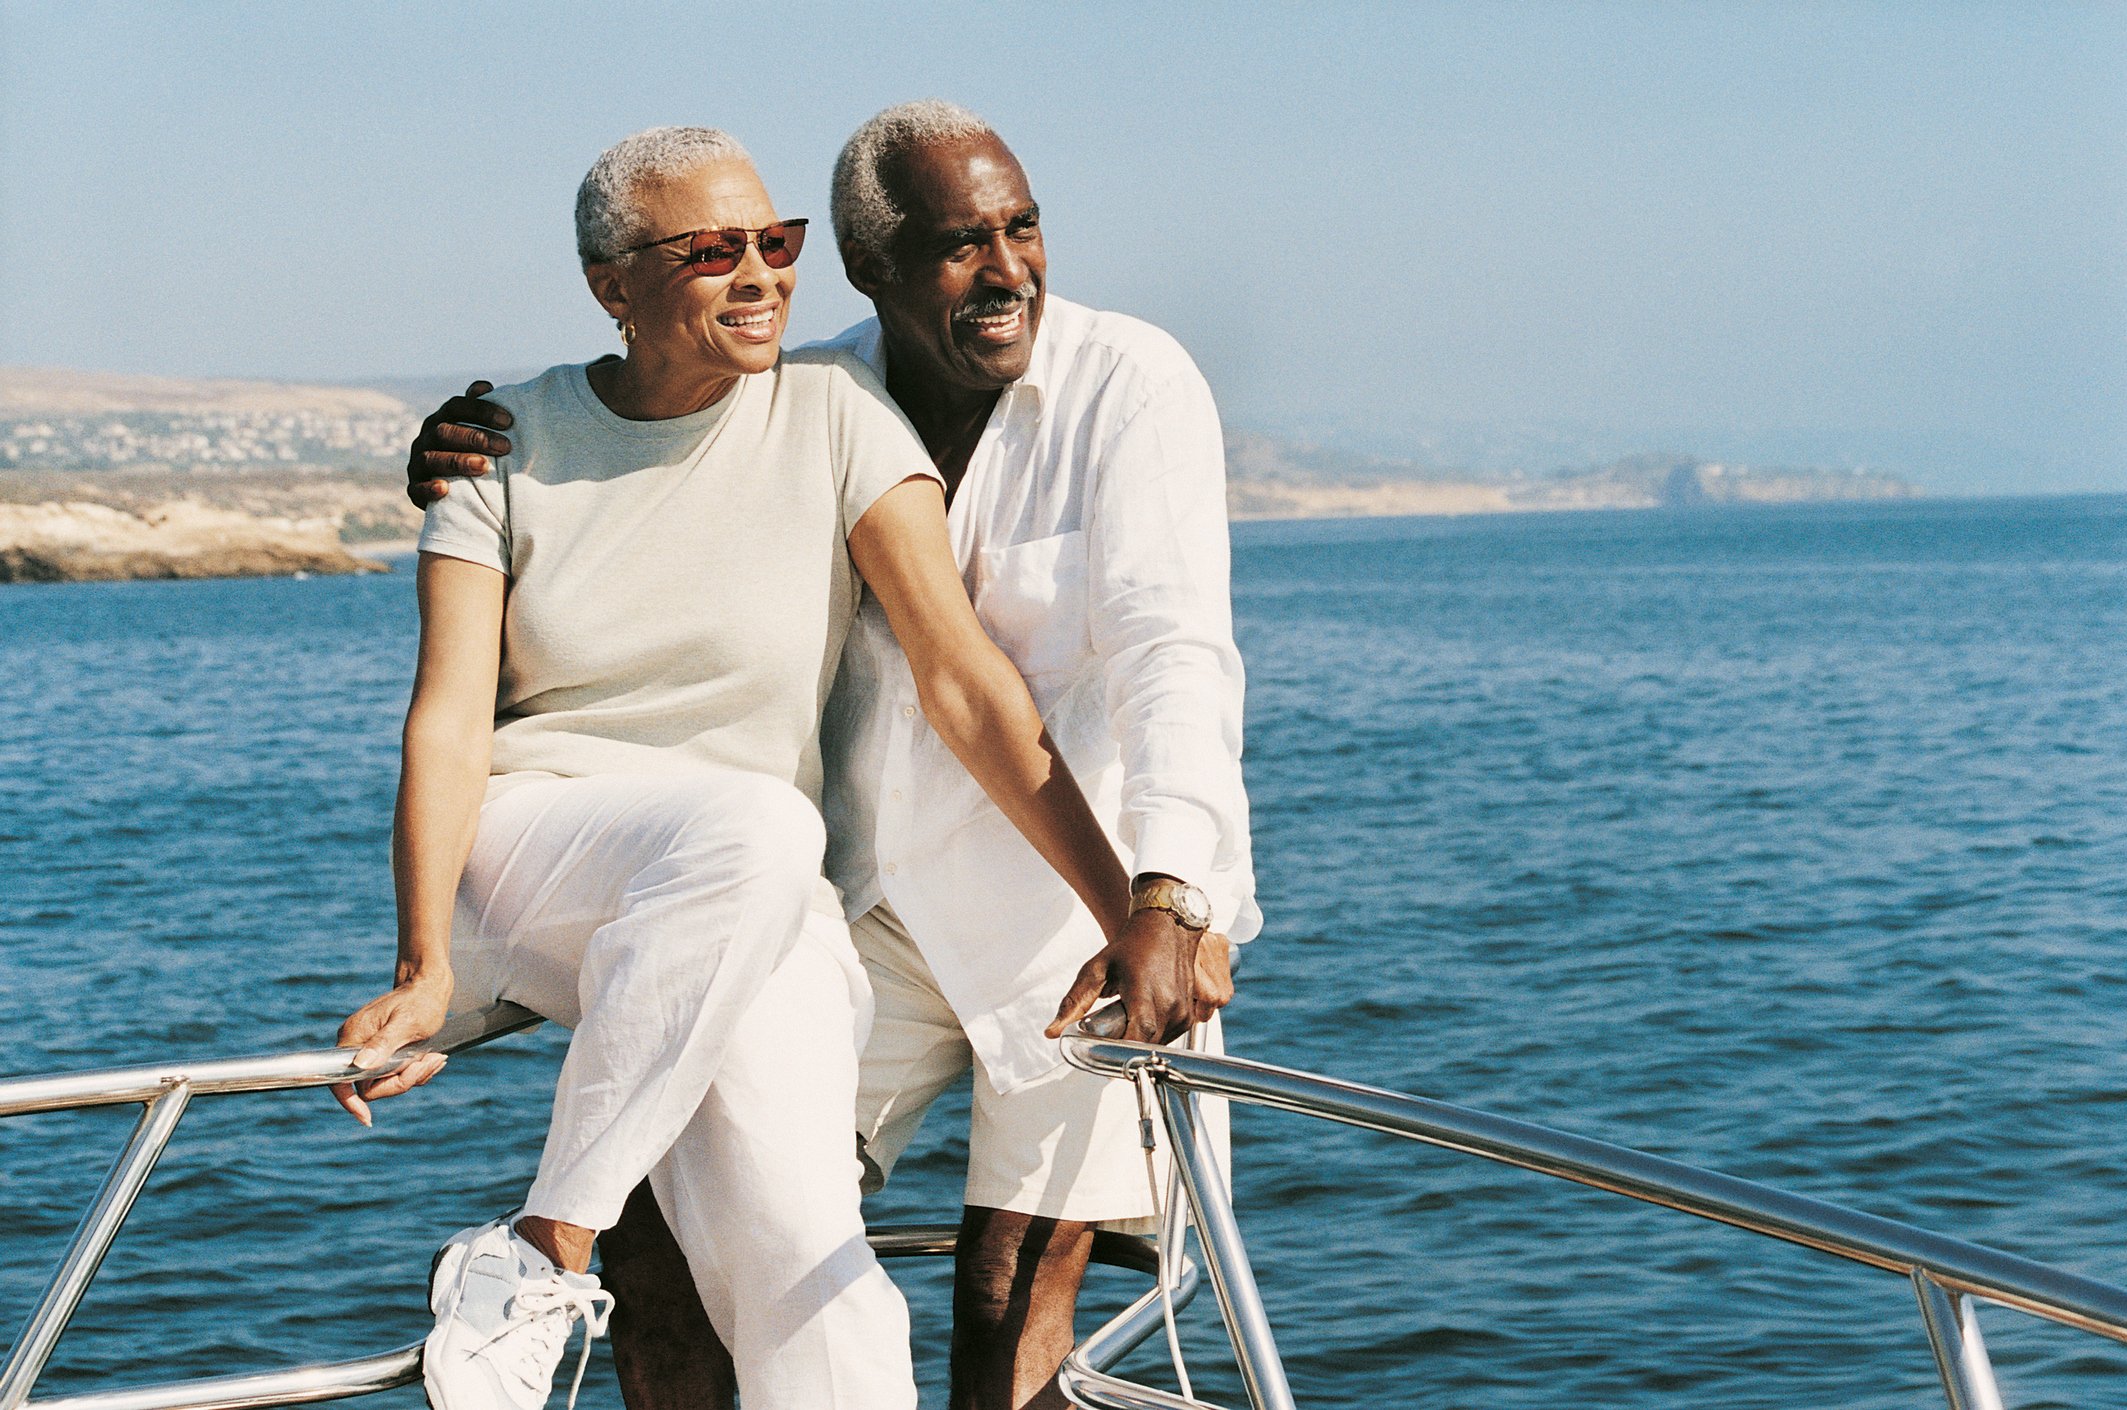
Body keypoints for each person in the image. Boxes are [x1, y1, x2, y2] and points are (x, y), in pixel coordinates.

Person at [408, 101, 1256, 1410]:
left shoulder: (1083, 389)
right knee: (668, 1251)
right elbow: (482, 680)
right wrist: (423, 966)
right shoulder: (741, 405)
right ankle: (547, 1254)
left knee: (936, 1286)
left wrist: (1158, 899)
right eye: (961, 244)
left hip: (1048, 915)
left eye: (1022, 228)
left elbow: (1151, 659)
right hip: (827, 889)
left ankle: (546, 1250)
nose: (1008, 268)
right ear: (876, 271)